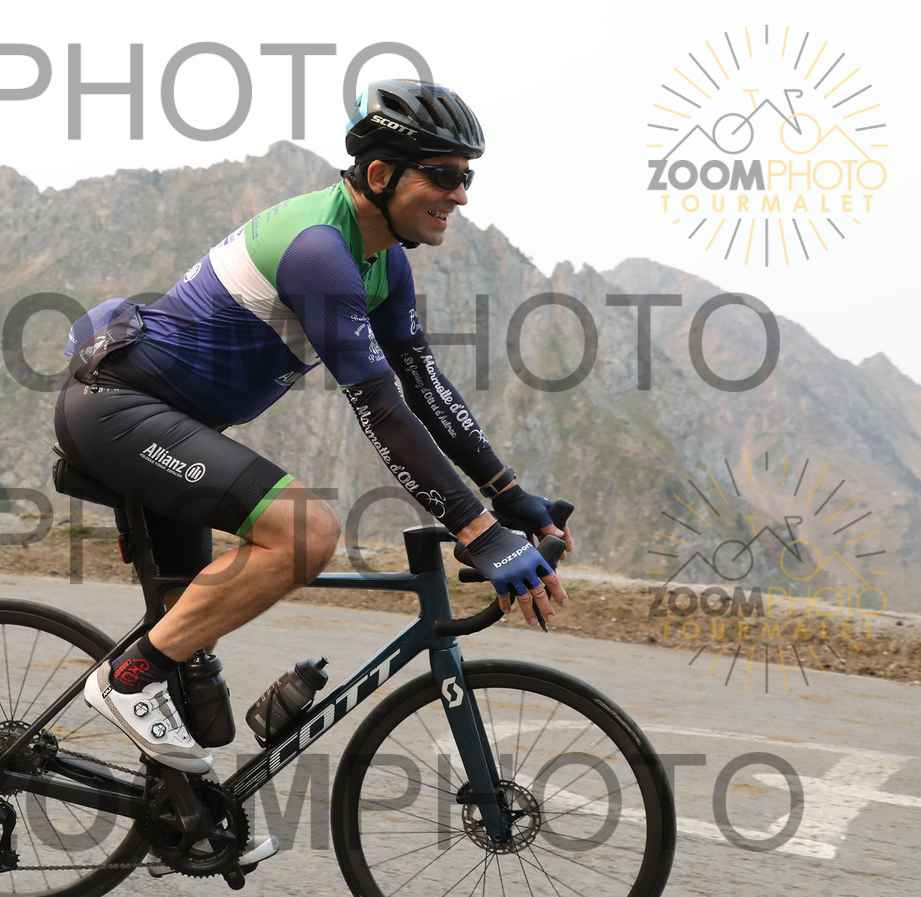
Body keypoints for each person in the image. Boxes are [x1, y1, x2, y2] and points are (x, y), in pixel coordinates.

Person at [54, 79, 572, 777]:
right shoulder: (318, 250)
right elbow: (380, 408)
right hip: (118, 409)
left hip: (175, 424)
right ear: (381, 175)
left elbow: (423, 388)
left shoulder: (384, 259)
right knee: (305, 532)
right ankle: (123, 681)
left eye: (467, 177)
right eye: (444, 176)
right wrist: (477, 531)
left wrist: (508, 496)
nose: (461, 195)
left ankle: (172, 816)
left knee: (195, 680)